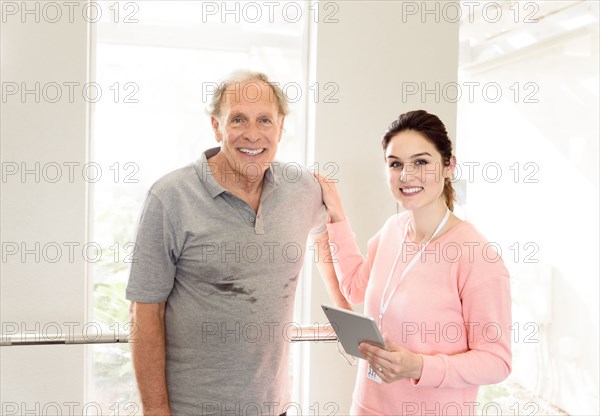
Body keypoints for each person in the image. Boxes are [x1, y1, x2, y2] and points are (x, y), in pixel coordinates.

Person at [126, 70, 348, 416]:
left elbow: (325, 235)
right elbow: (144, 312)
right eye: (238, 120)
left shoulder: (302, 189)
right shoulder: (170, 197)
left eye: (264, 120)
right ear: (217, 126)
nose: (252, 134)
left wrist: (344, 307)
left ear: (281, 126)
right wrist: (155, 413)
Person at [315, 110, 512, 415]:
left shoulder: (476, 255)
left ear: (449, 166)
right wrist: (337, 218)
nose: (406, 176)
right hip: (367, 407)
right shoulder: (393, 229)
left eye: (421, 162)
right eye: (395, 164)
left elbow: (496, 361)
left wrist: (418, 366)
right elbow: (355, 288)